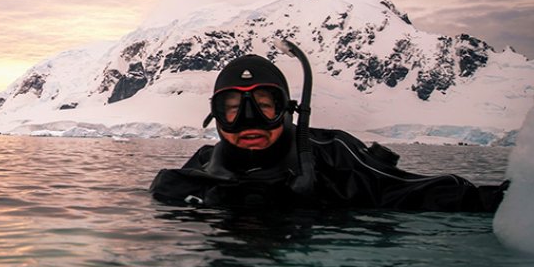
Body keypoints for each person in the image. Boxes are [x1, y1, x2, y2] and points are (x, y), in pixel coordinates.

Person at [149, 42, 508, 211]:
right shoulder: (205, 164)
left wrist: (503, 201)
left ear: (288, 110)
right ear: (215, 118)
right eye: (231, 110)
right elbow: (166, 194)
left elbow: (414, 190)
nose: (248, 121)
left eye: (264, 106)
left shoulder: (335, 156)